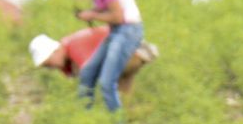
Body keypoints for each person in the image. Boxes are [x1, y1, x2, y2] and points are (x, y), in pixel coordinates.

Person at [55, 0, 144, 113]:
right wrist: (92, 13)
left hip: (128, 30)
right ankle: (85, 120)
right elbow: (107, 10)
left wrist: (91, 15)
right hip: (116, 31)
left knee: (107, 82)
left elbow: (118, 16)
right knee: (87, 74)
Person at [28, 27, 158, 95]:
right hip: (129, 55)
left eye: (48, 63)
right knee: (123, 100)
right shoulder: (68, 56)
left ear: (55, 51)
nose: (50, 68)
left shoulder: (74, 47)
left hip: (136, 52)